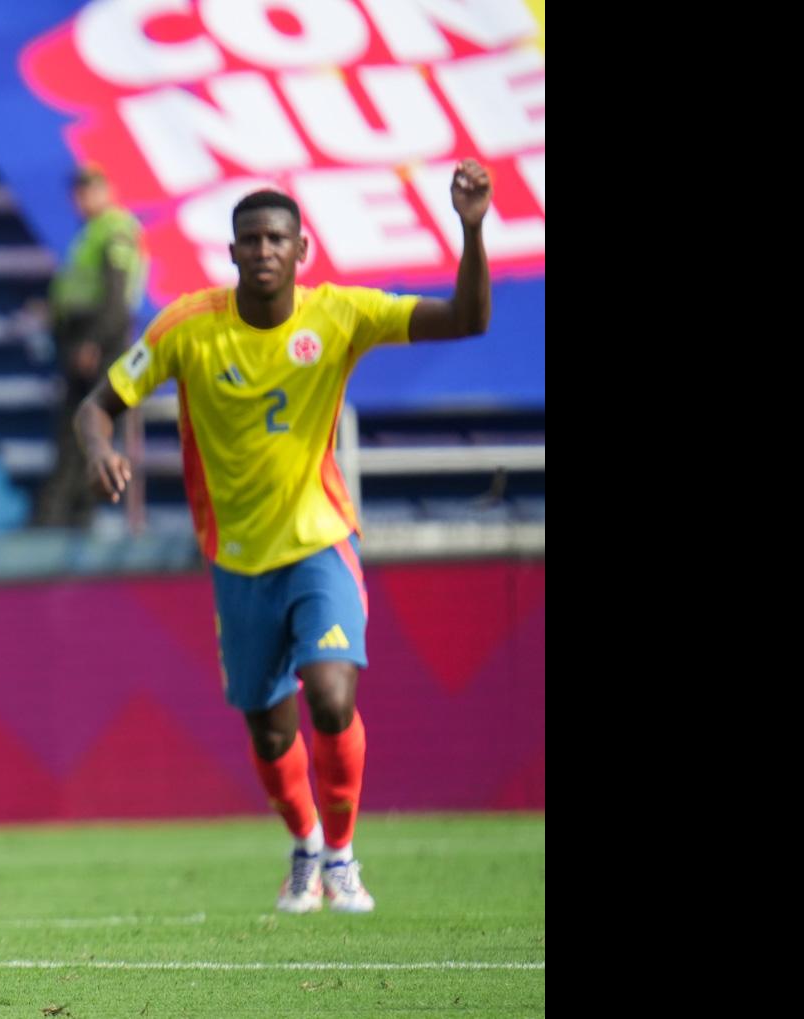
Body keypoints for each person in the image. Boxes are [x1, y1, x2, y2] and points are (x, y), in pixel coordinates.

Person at [74, 160, 497, 914]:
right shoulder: (186, 327)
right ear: (231, 253)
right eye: (249, 239)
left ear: (301, 252)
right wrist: (99, 446)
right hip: (236, 561)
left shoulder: (337, 315)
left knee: (332, 695)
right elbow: (96, 404)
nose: (263, 249)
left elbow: (465, 321)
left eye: (277, 238)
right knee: (271, 733)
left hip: (318, 541)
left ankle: (341, 855)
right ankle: (303, 841)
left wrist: (469, 228)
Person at [35, 166, 147, 529]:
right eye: (78, 192)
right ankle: (69, 512)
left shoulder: (115, 230)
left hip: (100, 339)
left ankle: (70, 512)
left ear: (107, 190)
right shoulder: (91, 232)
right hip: (84, 337)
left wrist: (93, 342)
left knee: (85, 426)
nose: (81, 200)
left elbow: (116, 296)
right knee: (76, 426)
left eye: (88, 191)